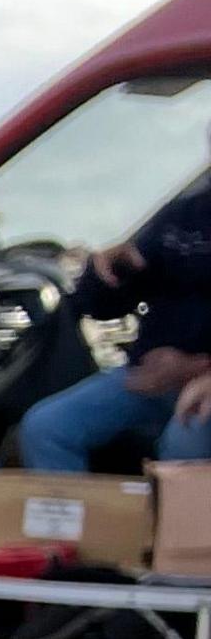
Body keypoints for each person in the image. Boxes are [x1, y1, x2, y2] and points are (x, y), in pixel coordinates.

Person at [18, 150, 211, 471]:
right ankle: (82, 521)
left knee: (184, 446)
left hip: (202, 386)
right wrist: (104, 270)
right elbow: (101, 306)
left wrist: (196, 369)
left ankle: (179, 522)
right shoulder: (183, 217)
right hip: (147, 379)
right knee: (46, 429)